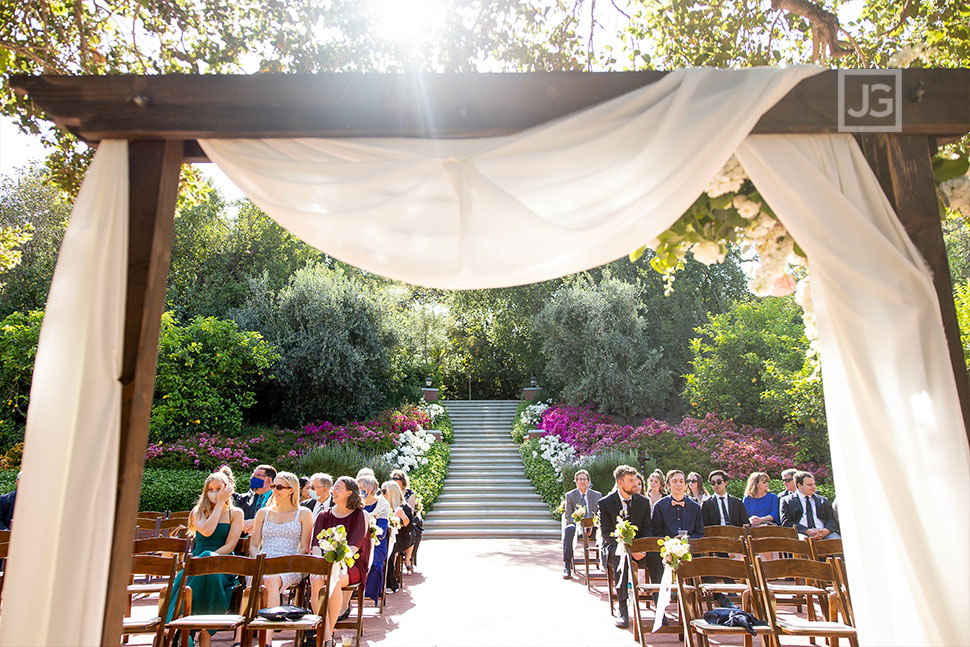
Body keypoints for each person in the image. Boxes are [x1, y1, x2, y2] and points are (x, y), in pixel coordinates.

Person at [168, 471, 243, 647]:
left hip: (222, 563)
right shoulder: (198, 512)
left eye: (219, 489)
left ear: (228, 489)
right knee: (200, 565)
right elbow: (207, 531)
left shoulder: (236, 513)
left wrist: (211, 559)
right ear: (205, 491)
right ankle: (186, 629)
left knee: (208, 560)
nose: (215, 492)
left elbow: (230, 546)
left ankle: (182, 626)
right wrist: (218, 506)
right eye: (211, 489)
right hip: (196, 565)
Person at [310, 476, 371, 647]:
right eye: (333, 488)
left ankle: (324, 635)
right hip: (323, 562)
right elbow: (316, 544)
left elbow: (354, 545)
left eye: (337, 488)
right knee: (315, 580)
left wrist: (336, 564)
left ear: (349, 493)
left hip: (349, 564)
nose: (333, 491)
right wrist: (318, 563)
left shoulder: (359, 515)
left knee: (334, 579)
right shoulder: (324, 515)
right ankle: (327, 636)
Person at [598, 464, 652, 629]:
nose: (635, 483)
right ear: (620, 482)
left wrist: (640, 547)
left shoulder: (643, 502)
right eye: (631, 480)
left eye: (635, 479)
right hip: (615, 546)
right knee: (621, 556)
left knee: (658, 556)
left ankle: (659, 603)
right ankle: (622, 607)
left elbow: (647, 529)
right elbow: (607, 534)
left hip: (640, 548)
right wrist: (629, 548)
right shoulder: (605, 503)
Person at [562, 469, 601, 578]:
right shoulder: (570, 495)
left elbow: (599, 514)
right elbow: (568, 516)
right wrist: (580, 525)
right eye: (580, 479)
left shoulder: (597, 495)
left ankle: (607, 565)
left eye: (585, 479)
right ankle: (566, 564)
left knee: (606, 530)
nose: (582, 482)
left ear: (589, 481)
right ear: (576, 481)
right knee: (569, 528)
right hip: (577, 526)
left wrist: (592, 524)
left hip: (593, 526)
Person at [359, 474, 391, 604]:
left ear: (367, 490)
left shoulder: (382, 504)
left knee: (375, 562)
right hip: (357, 542)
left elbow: (381, 531)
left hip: (375, 542)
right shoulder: (356, 503)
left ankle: (370, 595)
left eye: (359, 488)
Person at [781, 471, 841, 539]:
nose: (814, 487)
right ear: (799, 485)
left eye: (814, 484)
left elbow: (832, 519)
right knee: (802, 543)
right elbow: (787, 523)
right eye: (809, 485)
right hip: (801, 533)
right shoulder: (787, 501)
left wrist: (826, 530)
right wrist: (807, 531)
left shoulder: (823, 500)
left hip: (823, 532)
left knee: (838, 542)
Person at [651, 470, 705, 539]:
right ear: (668, 485)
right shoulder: (659, 506)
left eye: (681, 481)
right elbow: (656, 533)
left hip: (690, 547)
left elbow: (699, 533)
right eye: (674, 481)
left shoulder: (695, 507)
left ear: (685, 485)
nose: (678, 484)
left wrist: (686, 541)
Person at [382, 480, 414, 593]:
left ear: (392, 493)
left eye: (384, 491)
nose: (382, 494)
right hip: (386, 537)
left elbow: (410, 528)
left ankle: (391, 584)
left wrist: (403, 516)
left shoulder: (404, 507)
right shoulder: (383, 506)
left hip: (402, 538)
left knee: (388, 551)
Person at [390, 470, 421, 572]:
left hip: (405, 519)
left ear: (402, 481)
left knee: (413, 530)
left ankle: (407, 559)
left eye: (396, 479)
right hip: (394, 520)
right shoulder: (389, 491)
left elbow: (410, 511)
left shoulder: (409, 493)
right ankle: (391, 568)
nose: (393, 480)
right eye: (392, 479)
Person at [233, 464, 276, 534]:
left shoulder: (278, 499)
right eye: (253, 475)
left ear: (269, 480)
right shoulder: (245, 499)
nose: (253, 478)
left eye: (258, 476)